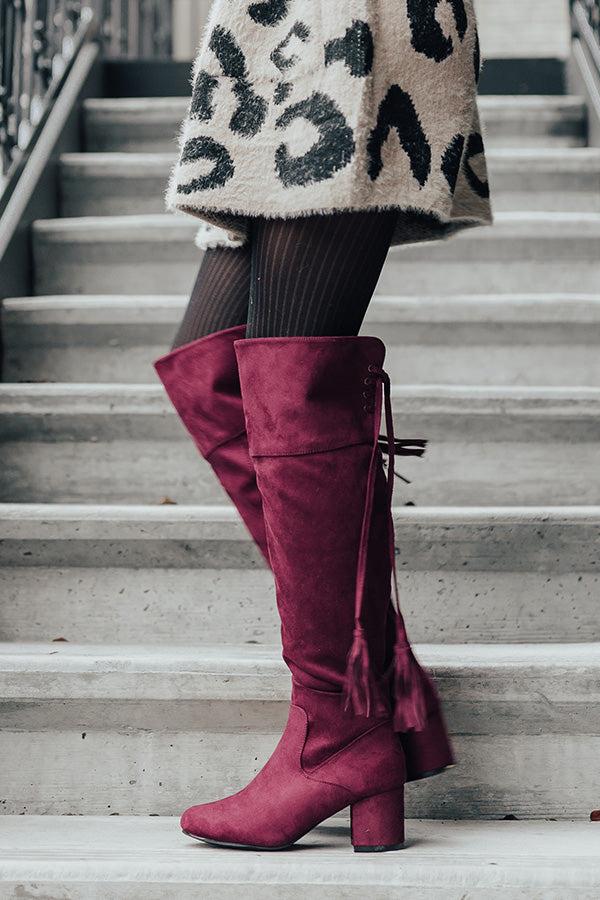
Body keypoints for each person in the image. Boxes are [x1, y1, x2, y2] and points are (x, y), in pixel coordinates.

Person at [155, 0, 492, 852]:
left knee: (293, 374)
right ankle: (366, 701)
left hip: (352, 32)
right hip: (269, 45)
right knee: (212, 366)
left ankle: (335, 729)